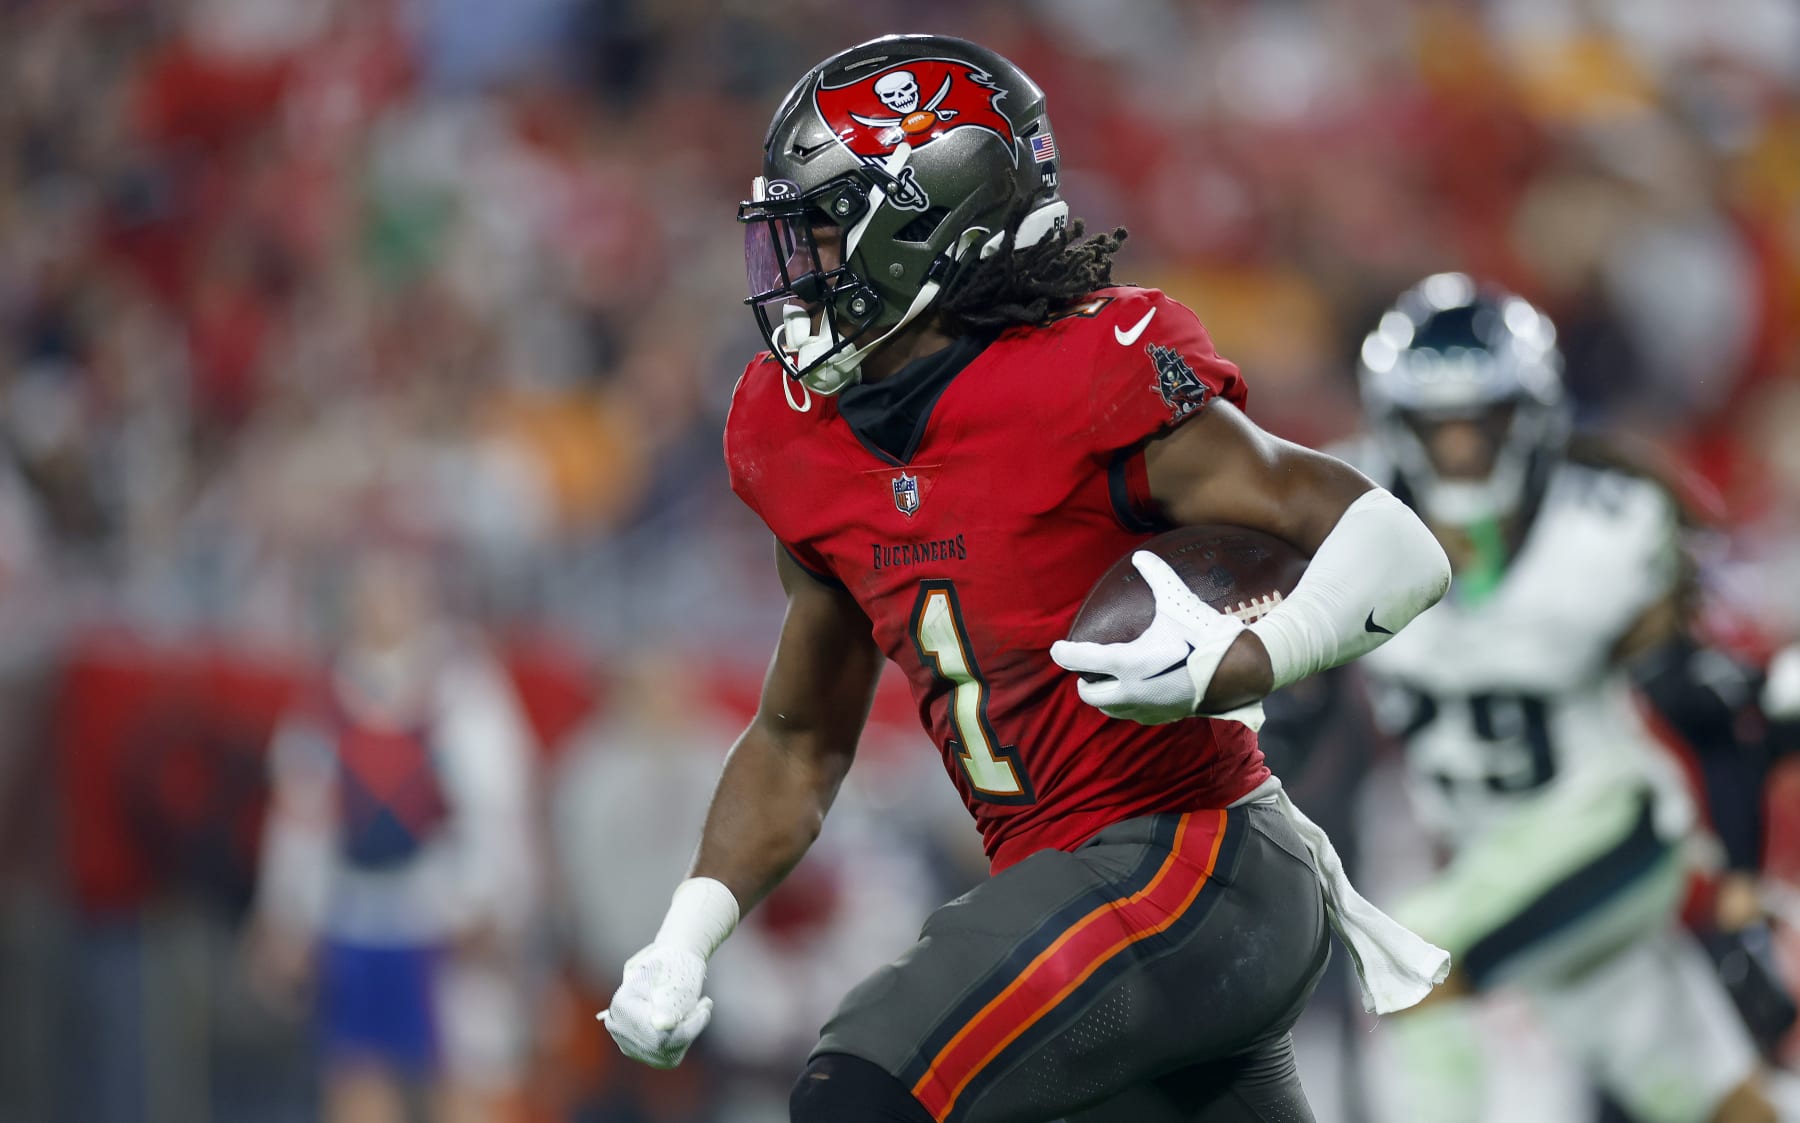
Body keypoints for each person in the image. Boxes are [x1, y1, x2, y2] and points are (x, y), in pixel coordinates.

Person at [600, 34, 1454, 1122]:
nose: (793, 270)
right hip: (1089, 905)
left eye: (821, 231)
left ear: (924, 223)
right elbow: (801, 736)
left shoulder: (1081, 374)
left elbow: (1397, 544)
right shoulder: (794, 430)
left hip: (1193, 859)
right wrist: (684, 938)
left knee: (861, 1092)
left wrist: (1248, 656)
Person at [1341, 272, 1780, 1123]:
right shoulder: (1346, 517)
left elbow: (1706, 710)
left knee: (1409, 961)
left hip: (1607, 833)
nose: (1461, 450)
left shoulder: (1605, 529)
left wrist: (1738, 882)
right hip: (1497, 866)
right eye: (1438, 427)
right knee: (1713, 1100)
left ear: (1530, 417)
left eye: (1483, 422)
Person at [247, 545, 540, 1123]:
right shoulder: (324, 699)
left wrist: (497, 901)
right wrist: (286, 914)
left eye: (398, 589)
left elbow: (499, 807)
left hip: (445, 915)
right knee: (358, 1081)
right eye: (370, 591)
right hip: (353, 916)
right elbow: (300, 818)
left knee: (465, 1081)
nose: (383, 605)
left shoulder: (461, 691)